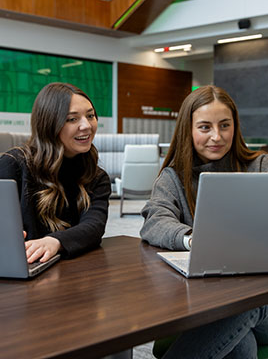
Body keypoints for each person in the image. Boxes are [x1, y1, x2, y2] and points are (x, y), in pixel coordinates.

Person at [140, 85, 268, 358]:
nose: (217, 136)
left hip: (262, 299)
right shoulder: (173, 178)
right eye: (205, 127)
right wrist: (191, 239)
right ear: (188, 129)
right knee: (242, 345)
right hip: (205, 301)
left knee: (241, 307)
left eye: (225, 125)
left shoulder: (260, 167)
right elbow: (155, 221)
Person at [0, 82, 111, 263]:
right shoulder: (13, 164)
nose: (87, 126)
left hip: (70, 272)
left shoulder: (97, 177)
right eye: (72, 119)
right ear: (49, 124)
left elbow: (94, 226)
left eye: (90, 116)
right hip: (19, 270)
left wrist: (55, 241)